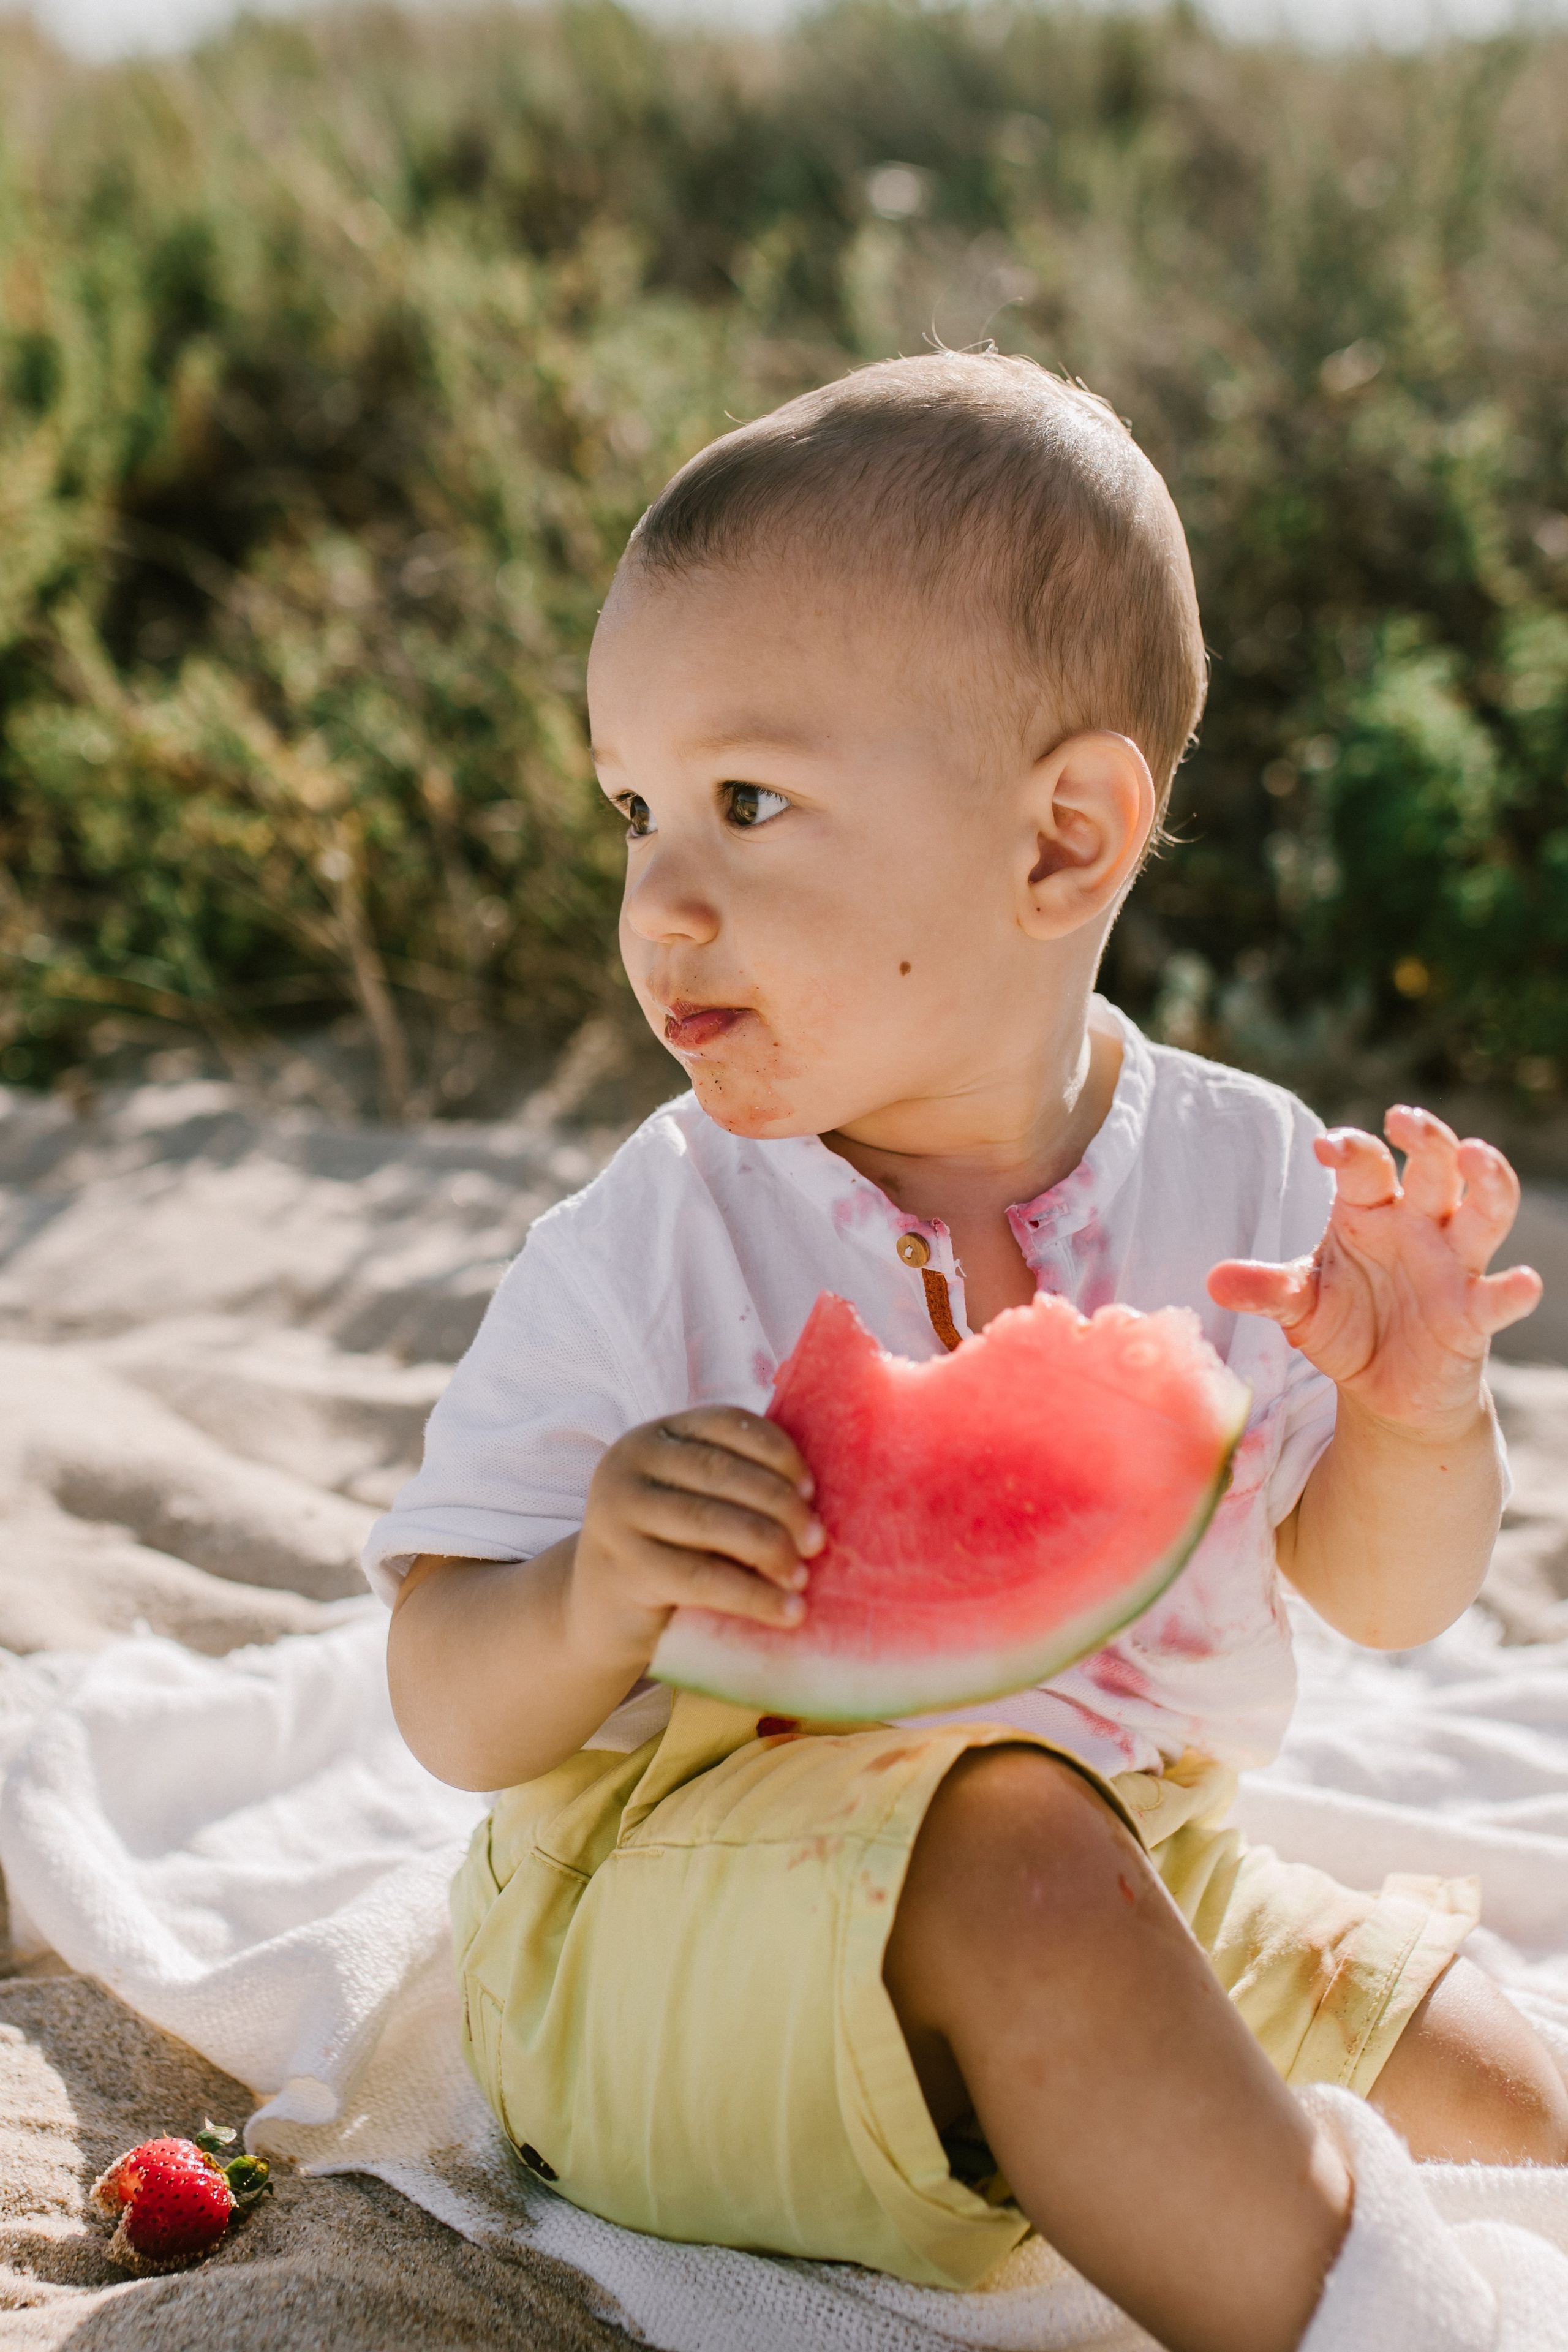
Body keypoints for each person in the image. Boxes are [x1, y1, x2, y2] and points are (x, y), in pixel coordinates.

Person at [377, 352, 1566, 2352]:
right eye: (635, 810)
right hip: (662, 1939)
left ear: (1062, 843)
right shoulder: (654, 1241)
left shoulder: (1257, 1176)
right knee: (1014, 1844)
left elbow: (1383, 1597)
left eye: (747, 804)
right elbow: (441, 1700)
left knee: (1501, 2085)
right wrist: (589, 1593)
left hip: (1144, 1870)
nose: (660, 900)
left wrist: (1416, 1411)